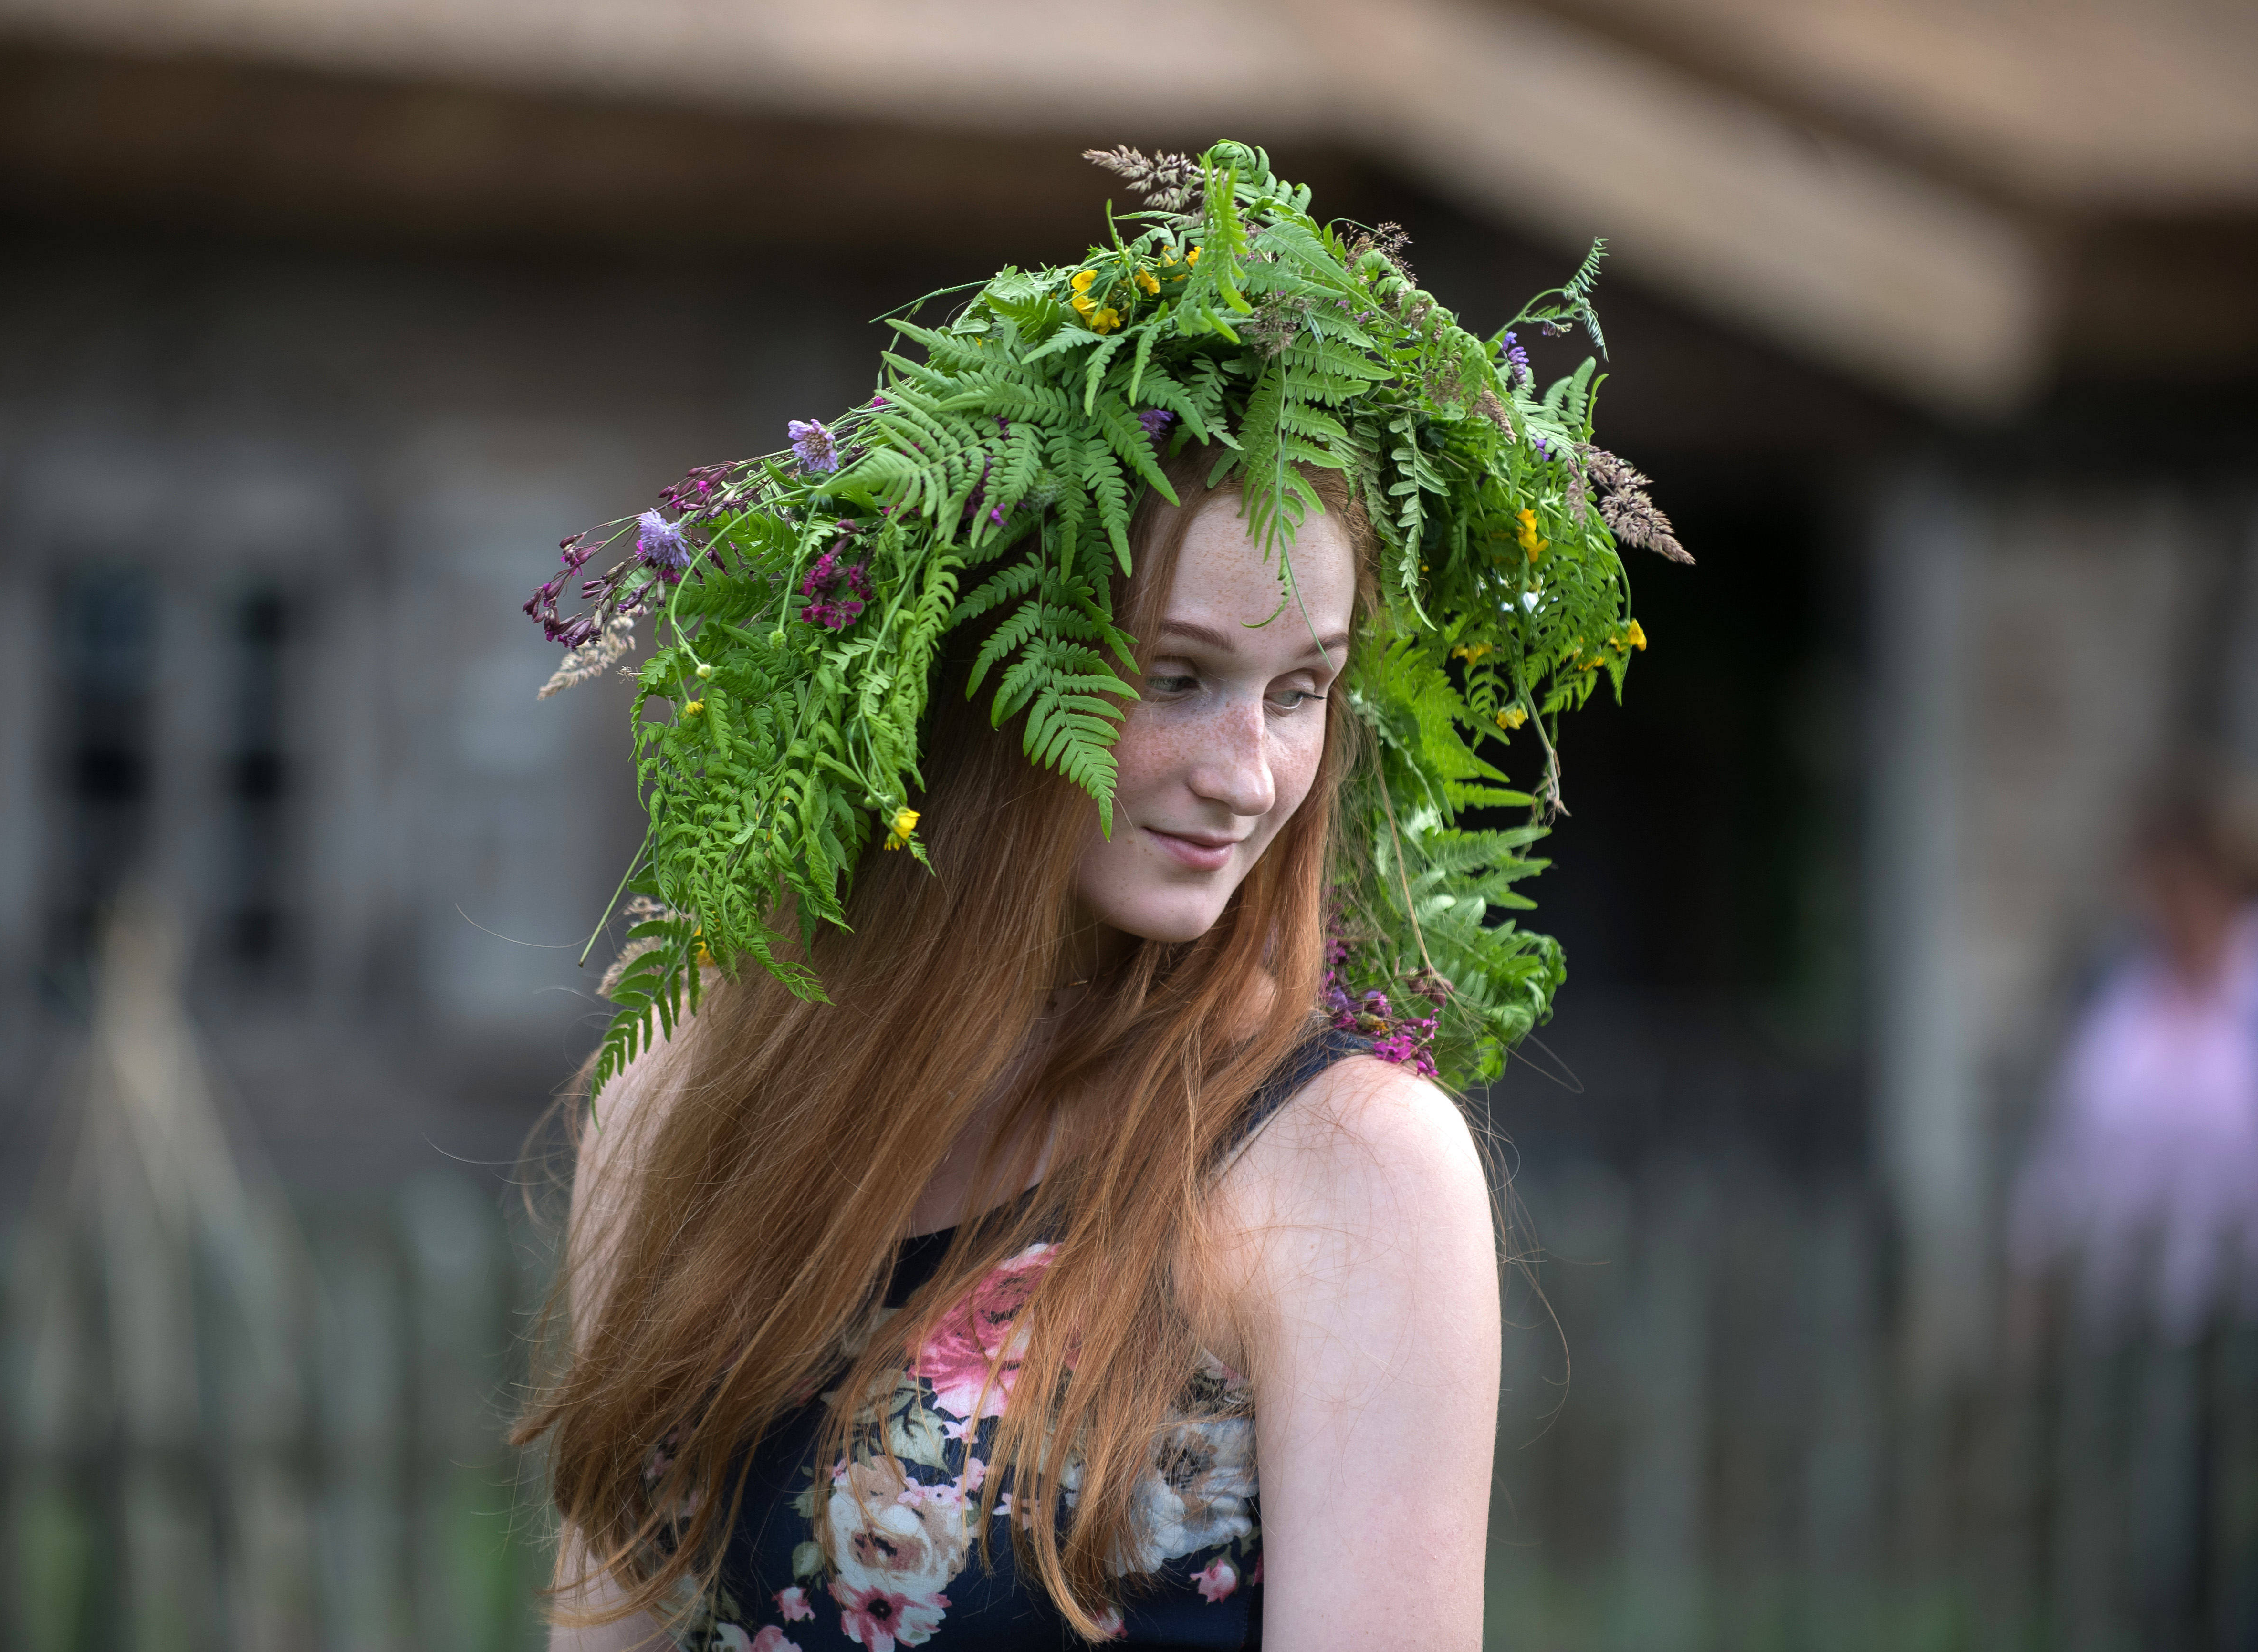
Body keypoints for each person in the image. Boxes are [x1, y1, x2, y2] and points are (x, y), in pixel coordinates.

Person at [512, 142, 1683, 1651]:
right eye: (1179, 676)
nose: (1251, 774)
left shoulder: (1348, 1173)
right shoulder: (681, 1106)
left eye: (1300, 689)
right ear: (986, 684)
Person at [2009, 767, 2258, 1341]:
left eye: (2184, 877)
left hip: (2253, 1315)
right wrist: (2034, 1253)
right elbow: (2067, 1138)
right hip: (2124, 1313)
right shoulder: (2119, 987)